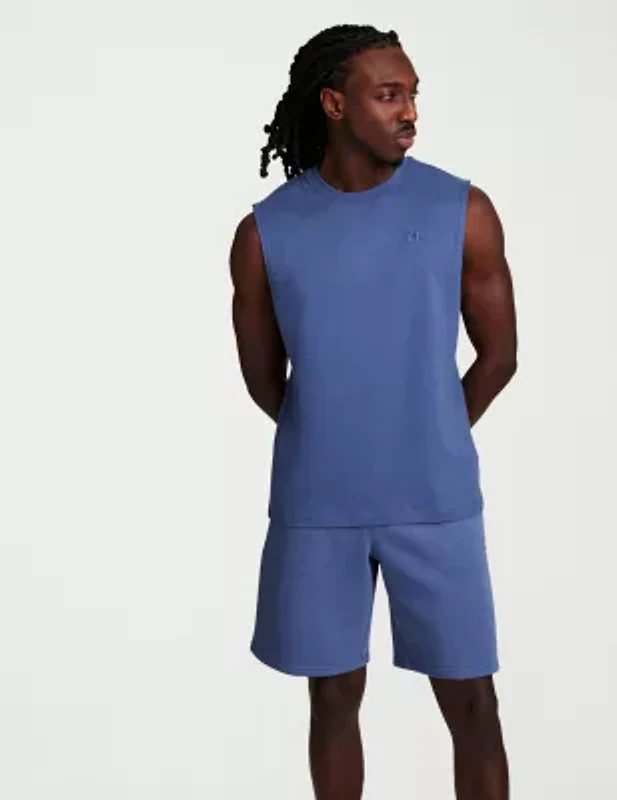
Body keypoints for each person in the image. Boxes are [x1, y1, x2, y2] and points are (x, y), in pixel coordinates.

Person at [229, 24, 517, 800]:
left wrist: (430, 431)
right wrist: (336, 431)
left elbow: (500, 356)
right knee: (331, 700)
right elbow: (265, 381)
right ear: (334, 104)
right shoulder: (265, 234)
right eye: (390, 94)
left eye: (413, 94)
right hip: (319, 504)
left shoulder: (463, 210)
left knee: (474, 703)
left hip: (435, 499)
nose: (410, 111)